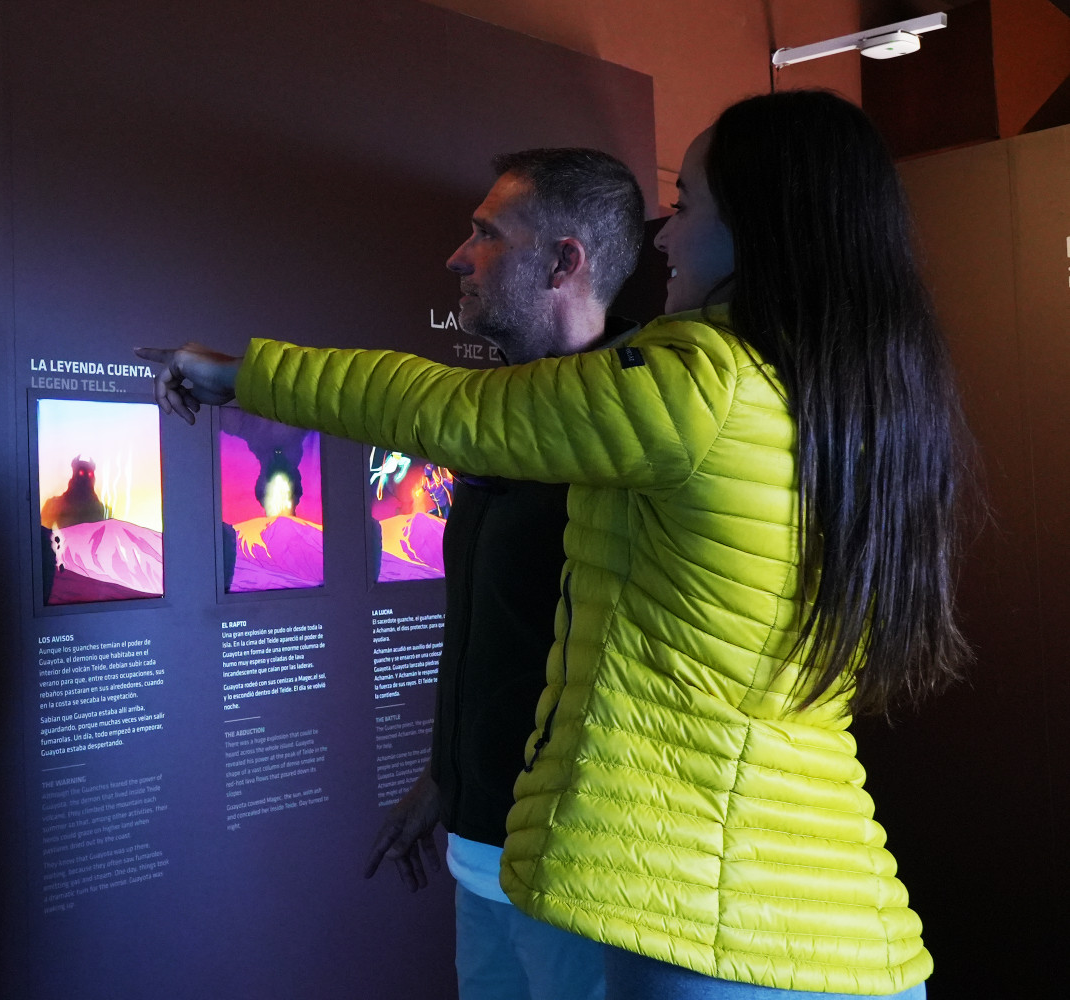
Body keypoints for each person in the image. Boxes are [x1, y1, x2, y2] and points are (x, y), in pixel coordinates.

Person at [140, 89, 969, 999]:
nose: (663, 237)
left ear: (759, 223)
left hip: (706, 923)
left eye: (687, 204)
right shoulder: (842, 402)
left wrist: (241, 373)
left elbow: (448, 410)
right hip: (828, 915)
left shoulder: (707, 385)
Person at [356, 147, 642, 1000]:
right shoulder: (498, 425)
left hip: (574, 877)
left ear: (563, 261)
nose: (457, 255)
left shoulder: (629, 439)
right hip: (478, 857)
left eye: (486, 233)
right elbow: (502, 633)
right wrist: (446, 776)